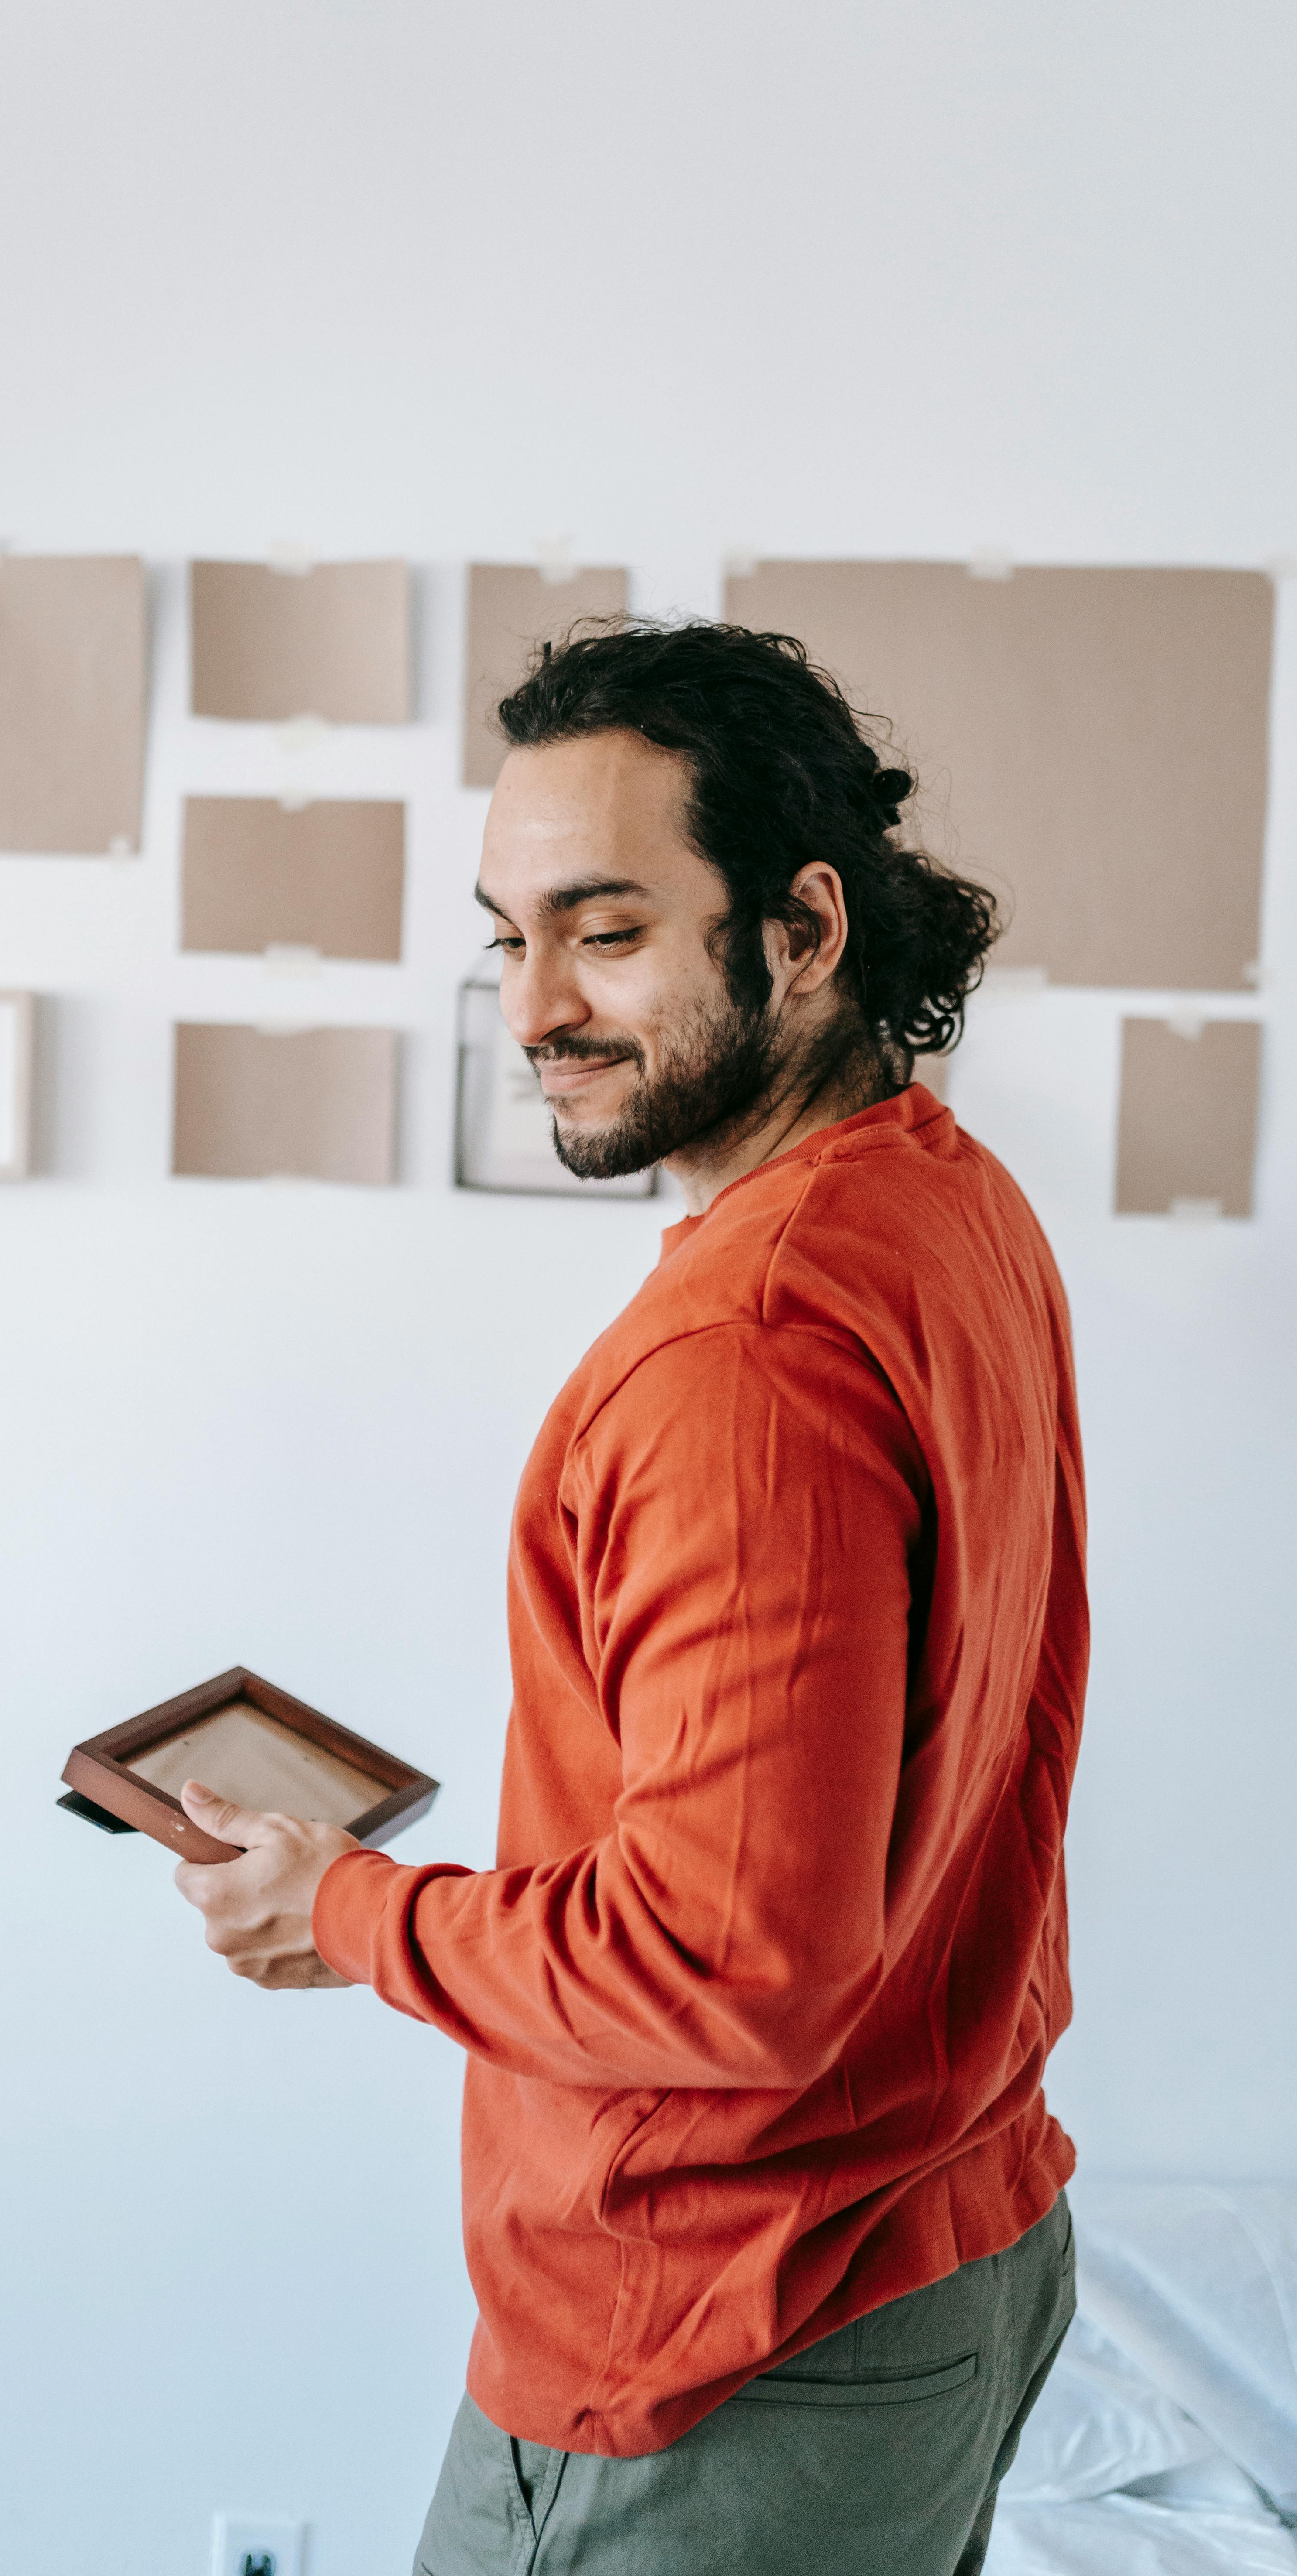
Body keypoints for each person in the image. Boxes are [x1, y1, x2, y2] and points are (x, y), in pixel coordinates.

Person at [174, 620, 1087, 2576]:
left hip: (725, 2345)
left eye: (606, 930)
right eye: (510, 936)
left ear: (804, 927)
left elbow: (729, 1970)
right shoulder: (942, 1200)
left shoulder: (743, 1348)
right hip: (942, 2244)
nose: (535, 1007)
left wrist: (340, 1909)